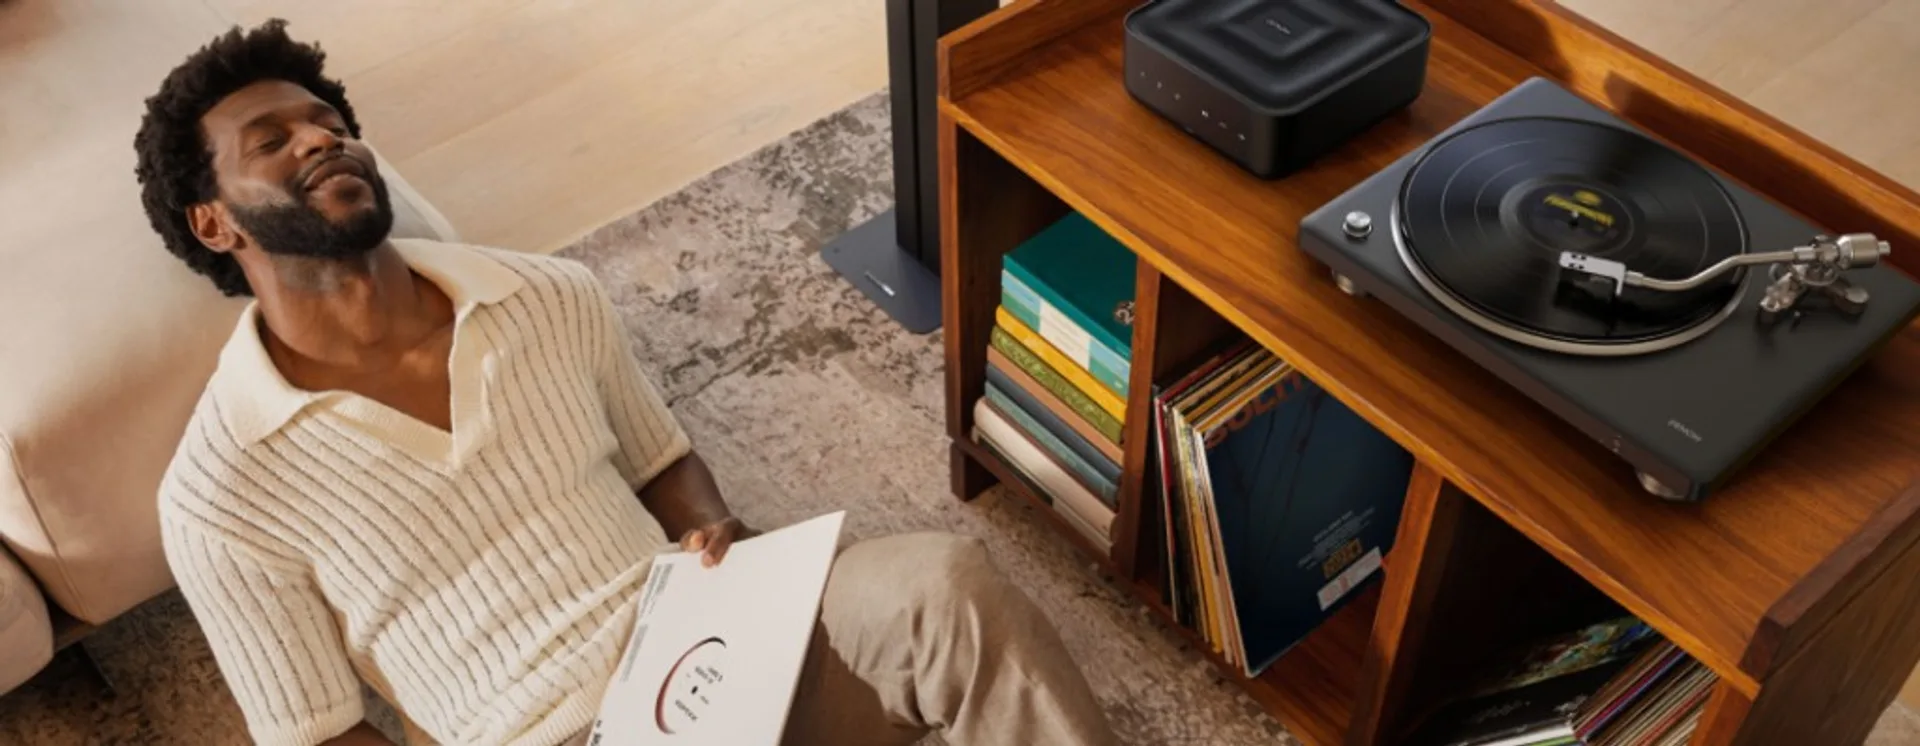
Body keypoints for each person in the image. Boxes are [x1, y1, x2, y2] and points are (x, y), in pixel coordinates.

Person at [138, 20, 1118, 746]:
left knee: (945, 587)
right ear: (214, 223)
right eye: (273, 140)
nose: (321, 139)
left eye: (328, 121)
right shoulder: (221, 496)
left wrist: (713, 530)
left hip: (715, 654)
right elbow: (316, 732)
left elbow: (661, 457)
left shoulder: (547, 295)